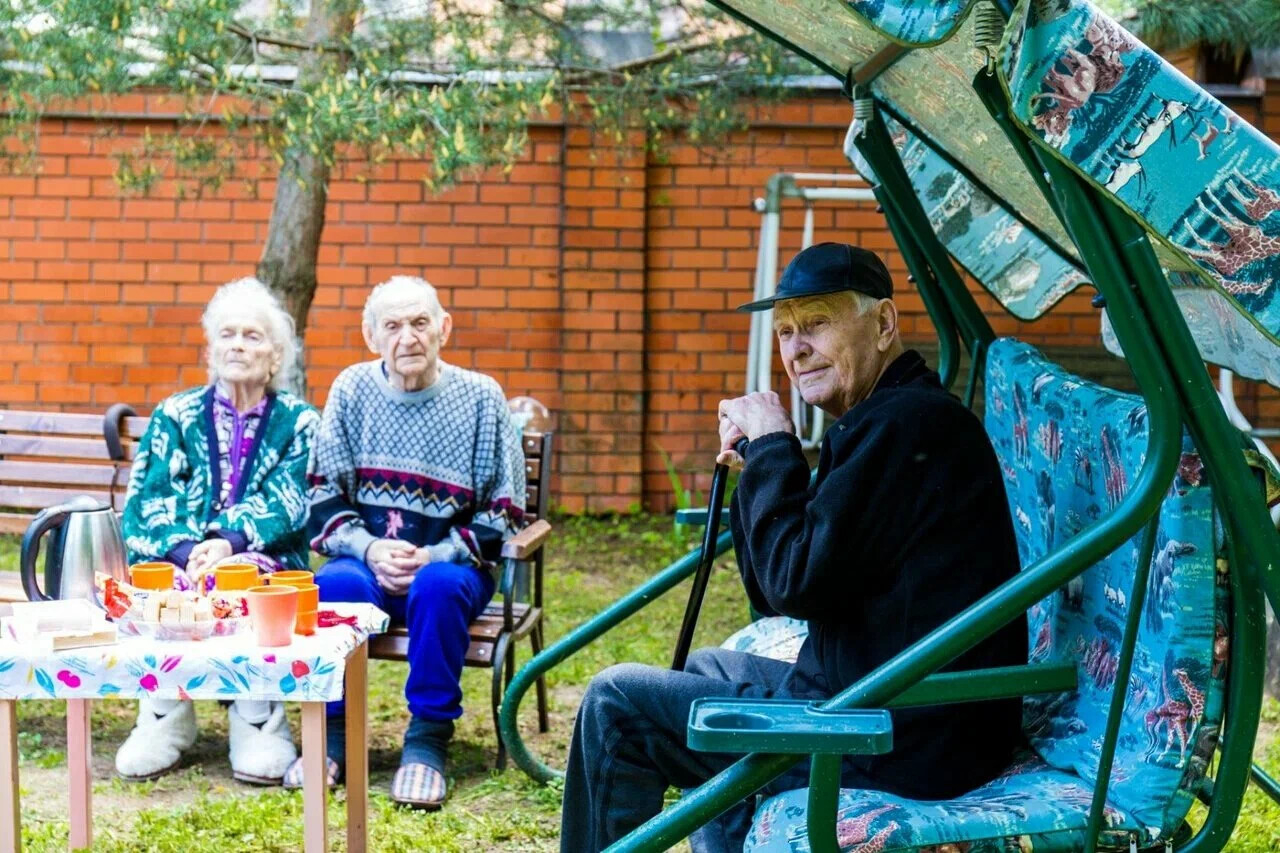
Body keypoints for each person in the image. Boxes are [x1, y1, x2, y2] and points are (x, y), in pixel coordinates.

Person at [560, 242, 1029, 851]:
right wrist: (758, 464)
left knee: (615, 703)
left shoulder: (907, 425)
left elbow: (793, 582)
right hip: (875, 694)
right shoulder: (883, 418)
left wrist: (775, 448)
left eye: (817, 323)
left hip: (899, 735)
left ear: (883, 323)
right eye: (785, 331)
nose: (796, 349)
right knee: (708, 668)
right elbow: (774, 592)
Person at [293, 275, 525, 808]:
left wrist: (435, 555)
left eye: (420, 323)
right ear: (371, 336)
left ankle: (426, 742)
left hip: (451, 567)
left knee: (438, 586)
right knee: (335, 585)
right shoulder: (351, 390)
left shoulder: (481, 397)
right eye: (393, 326)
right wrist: (369, 548)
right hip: (367, 561)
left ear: (444, 328)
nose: (408, 337)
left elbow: (505, 508)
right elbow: (322, 493)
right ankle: (334, 736)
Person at [115, 277, 319, 784]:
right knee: (163, 581)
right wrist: (187, 549)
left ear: (275, 355)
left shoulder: (300, 422)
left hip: (264, 556)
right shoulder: (176, 414)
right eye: (227, 334)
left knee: (240, 579)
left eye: (252, 336)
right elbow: (148, 497)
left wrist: (229, 542)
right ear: (211, 349)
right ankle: (163, 715)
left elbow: (292, 498)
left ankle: (257, 719)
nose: (238, 345)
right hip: (180, 554)